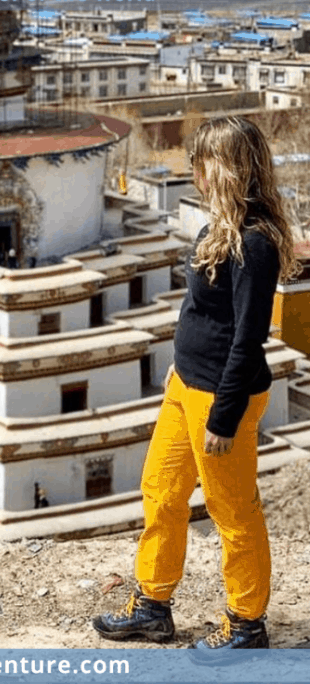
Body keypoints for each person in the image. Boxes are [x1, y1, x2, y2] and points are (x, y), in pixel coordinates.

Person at [92, 116, 299, 654]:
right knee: (161, 492)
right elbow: (199, 313)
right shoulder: (217, 229)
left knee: (233, 512)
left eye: (201, 159)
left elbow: (247, 339)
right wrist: (179, 368)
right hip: (186, 386)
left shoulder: (252, 244)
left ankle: (246, 623)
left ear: (226, 168)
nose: (193, 170)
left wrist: (224, 417)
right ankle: (153, 605)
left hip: (221, 399)